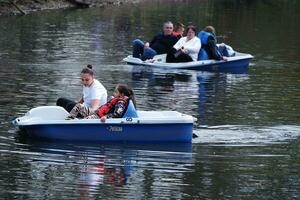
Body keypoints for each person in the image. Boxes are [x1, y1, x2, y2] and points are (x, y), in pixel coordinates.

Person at [67, 84, 136, 122]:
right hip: (95, 113)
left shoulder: (121, 102)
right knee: (79, 106)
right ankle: (68, 121)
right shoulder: (116, 99)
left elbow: (117, 114)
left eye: (115, 92)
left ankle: (72, 125)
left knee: (85, 121)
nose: (113, 93)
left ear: (121, 94)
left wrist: (106, 117)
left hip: (99, 117)